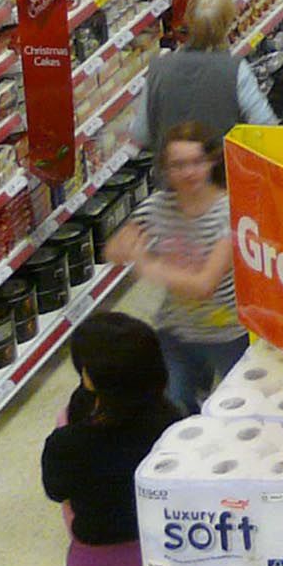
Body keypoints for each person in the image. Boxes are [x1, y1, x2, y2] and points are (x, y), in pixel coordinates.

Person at [104, 122, 247, 411]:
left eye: (196, 162)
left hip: (228, 333)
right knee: (173, 406)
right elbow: (113, 249)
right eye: (178, 165)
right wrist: (123, 246)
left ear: (211, 162)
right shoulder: (157, 207)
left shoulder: (228, 213)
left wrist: (148, 267)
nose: (189, 172)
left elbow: (205, 285)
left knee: (239, 407)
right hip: (176, 331)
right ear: (166, 170)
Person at [42, 312, 183, 566]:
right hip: (170, 544)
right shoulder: (175, 424)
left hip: (98, 555)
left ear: (89, 376)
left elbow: (56, 490)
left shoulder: (68, 444)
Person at [139, 0, 276, 148]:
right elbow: (264, 126)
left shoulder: (158, 69)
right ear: (228, 24)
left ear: (188, 20)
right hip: (221, 169)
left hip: (171, 169)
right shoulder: (235, 70)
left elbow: (141, 134)